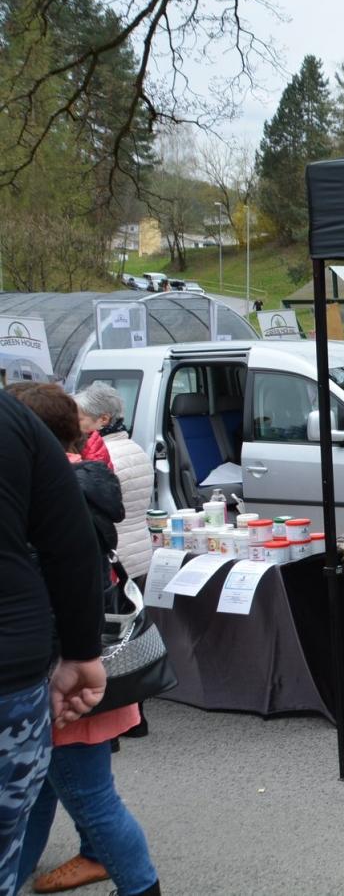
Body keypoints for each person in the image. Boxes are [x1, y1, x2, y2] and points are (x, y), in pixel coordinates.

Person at [8, 384, 161, 896]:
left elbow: (49, 592)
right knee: (40, 790)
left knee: (91, 799)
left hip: (63, 675)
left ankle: (140, 887)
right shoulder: (87, 479)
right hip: (88, 660)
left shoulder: (46, 497)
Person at [0, 391, 106, 896]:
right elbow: (72, 548)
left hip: (20, 661)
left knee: (89, 795)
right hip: (15, 666)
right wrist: (82, 652)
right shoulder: (14, 423)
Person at [75, 384, 152, 581]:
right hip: (141, 550)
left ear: (103, 419)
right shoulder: (135, 448)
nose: (74, 425)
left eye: (80, 419)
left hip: (117, 557)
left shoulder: (104, 457)